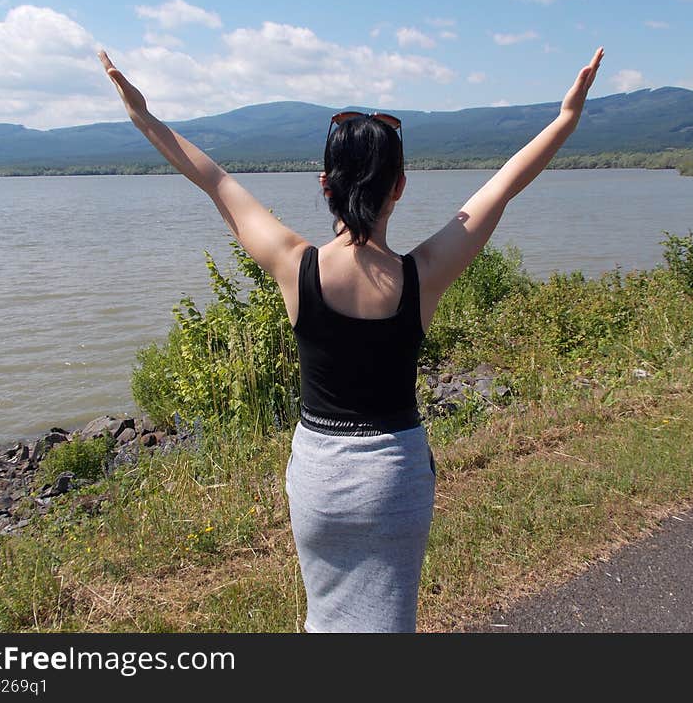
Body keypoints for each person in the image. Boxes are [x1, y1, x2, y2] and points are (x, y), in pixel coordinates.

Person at [98, 46, 604, 633]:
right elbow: (503, 186)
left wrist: (144, 118)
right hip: (395, 475)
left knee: (325, 620)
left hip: (321, 475)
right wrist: (566, 118)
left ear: (325, 187)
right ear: (400, 188)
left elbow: (212, 179)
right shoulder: (424, 273)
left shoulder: (295, 265)